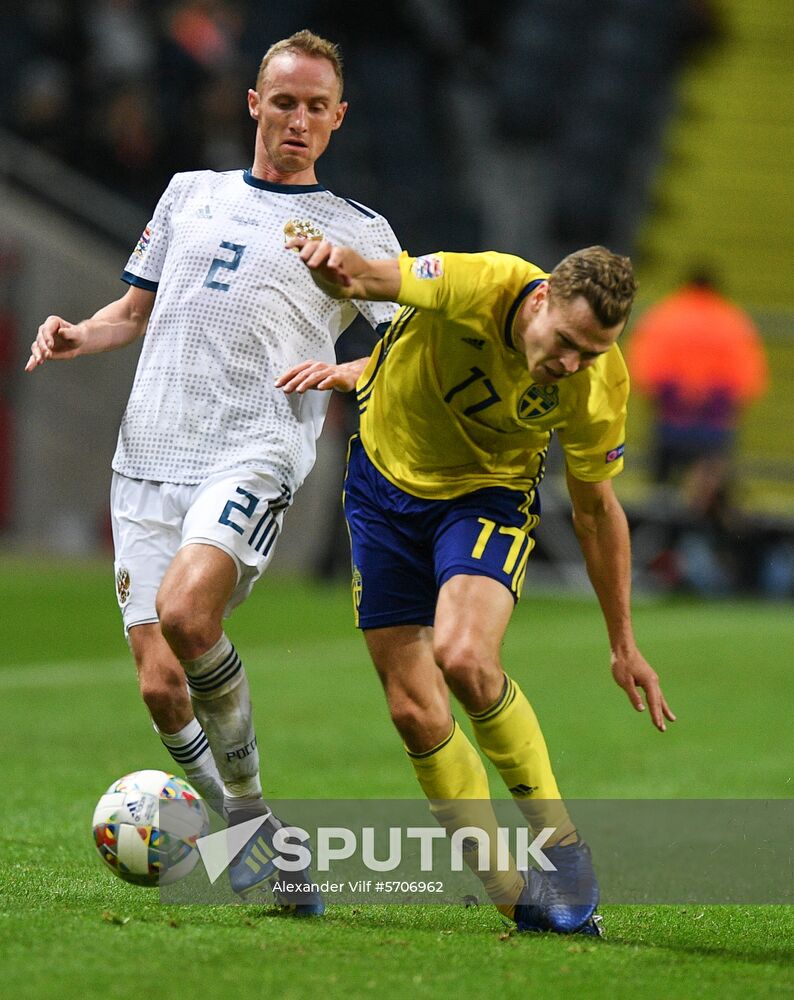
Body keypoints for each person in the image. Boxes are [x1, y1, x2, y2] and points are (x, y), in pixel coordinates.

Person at [25, 30, 401, 910]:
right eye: (284, 101)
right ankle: (256, 833)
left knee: (192, 615)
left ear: (338, 119)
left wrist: (350, 372)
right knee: (161, 685)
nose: (298, 119)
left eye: (316, 107)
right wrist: (83, 332)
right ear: (253, 104)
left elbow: (407, 349)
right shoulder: (190, 194)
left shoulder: (359, 232)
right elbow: (133, 309)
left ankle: (250, 819)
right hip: (149, 451)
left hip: (254, 446)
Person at [277, 238, 676, 935]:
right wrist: (331, 264)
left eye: (592, 350)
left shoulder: (595, 383)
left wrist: (623, 643)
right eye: (567, 342)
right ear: (542, 297)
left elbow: (595, 511)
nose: (571, 363)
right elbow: (377, 277)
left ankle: (561, 847)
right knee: (413, 712)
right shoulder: (476, 281)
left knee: (464, 657)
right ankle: (516, 898)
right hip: (381, 489)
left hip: (485, 497)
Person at [627, 268, 768, 593]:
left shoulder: (665, 314)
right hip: (713, 428)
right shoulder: (732, 320)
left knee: (661, 500)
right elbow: (748, 380)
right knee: (710, 501)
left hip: (670, 424)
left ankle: (660, 564)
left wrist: (676, 400)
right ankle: (711, 569)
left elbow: (646, 370)